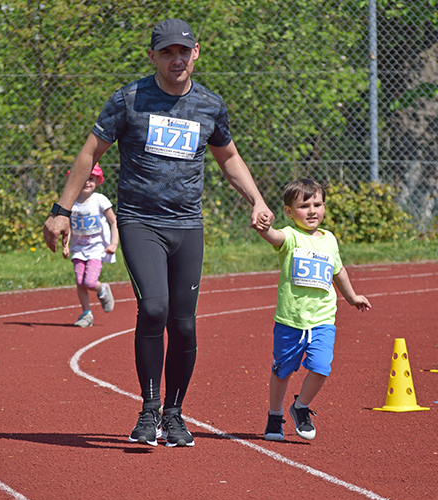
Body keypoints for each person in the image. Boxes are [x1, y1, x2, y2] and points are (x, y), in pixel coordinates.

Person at [43, 18, 273, 448]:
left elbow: (229, 157)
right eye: (166, 52)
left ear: (196, 53)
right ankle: (148, 411)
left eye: (183, 51)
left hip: (187, 224)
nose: (176, 59)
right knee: (153, 309)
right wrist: (62, 210)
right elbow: (90, 150)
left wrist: (257, 200)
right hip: (139, 220)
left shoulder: (209, 105)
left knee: (184, 325)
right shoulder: (129, 99)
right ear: (153, 57)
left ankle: (175, 414)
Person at [254, 178, 371, 441]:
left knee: (321, 367)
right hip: (290, 320)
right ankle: (274, 415)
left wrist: (351, 297)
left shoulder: (329, 239)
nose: (312, 210)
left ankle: (300, 407)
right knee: (281, 372)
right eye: (304, 206)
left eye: (317, 204)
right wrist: (264, 228)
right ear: (288, 211)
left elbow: (338, 270)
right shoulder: (290, 236)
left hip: (322, 319)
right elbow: (274, 236)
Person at [62, 164, 118, 327]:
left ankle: (102, 289)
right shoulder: (71, 203)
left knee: (90, 282)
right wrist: (65, 245)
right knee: (80, 281)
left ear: (97, 181)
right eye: (83, 179)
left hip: (96, 249)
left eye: (91, 179)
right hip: (78, 249)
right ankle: (86, 314)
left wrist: (114, 244)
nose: (87, 182)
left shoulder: (99, 200)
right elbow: (69, 226)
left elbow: (113, 221)